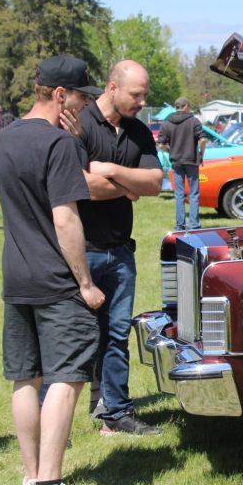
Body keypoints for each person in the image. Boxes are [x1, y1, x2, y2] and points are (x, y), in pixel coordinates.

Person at [0, 55, 106, 485]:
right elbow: (65, 217)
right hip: (57, 280)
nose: (84, 104)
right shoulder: (58, 143)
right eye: (81, 96)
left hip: (16, 276)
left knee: (26, 377)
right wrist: (85, 282)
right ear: (59, 95)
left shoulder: (3, 137)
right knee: (67, 378)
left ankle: (31, 479)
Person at [77, 60, 163, 435]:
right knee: (78, 335)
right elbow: (79, 184)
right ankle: (58, 416)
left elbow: (155, 183)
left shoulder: (139, 131)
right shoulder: (79, 124)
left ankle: (116, 412)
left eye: (144, 94)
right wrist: (130, 187)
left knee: (115, 334)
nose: (142, 101)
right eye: (136, 94)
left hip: (120, 252)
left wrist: (110, 171)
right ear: (112, 87)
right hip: (81, 249)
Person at [157, 97, 207, 230]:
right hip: (191, 160)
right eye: (188, 106)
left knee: (179, 194)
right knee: (193, 193)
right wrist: (201, 153)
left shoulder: (167, 123)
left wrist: (170, 150)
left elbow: (160, 144)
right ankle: (194, 225)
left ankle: (180, 225)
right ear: (185, 106)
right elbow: (203, 140)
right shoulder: (194, 121)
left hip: (176, 161)